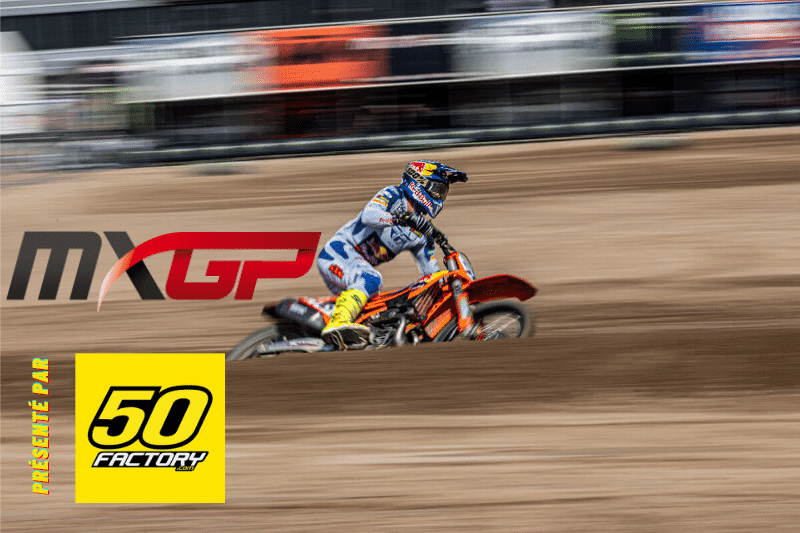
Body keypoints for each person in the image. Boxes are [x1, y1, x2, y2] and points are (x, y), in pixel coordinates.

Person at [317, 160, 468, 348]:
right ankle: (337, 324)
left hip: (355, 269)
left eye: (442, 192)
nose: (440, 196)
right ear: (419, 183)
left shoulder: (422, 235)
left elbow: (431, 275)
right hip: (336, 254)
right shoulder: (393, 195)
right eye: (437, 189)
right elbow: (369, 215)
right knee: (371, 279)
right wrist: (400, 218)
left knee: (380, 308)